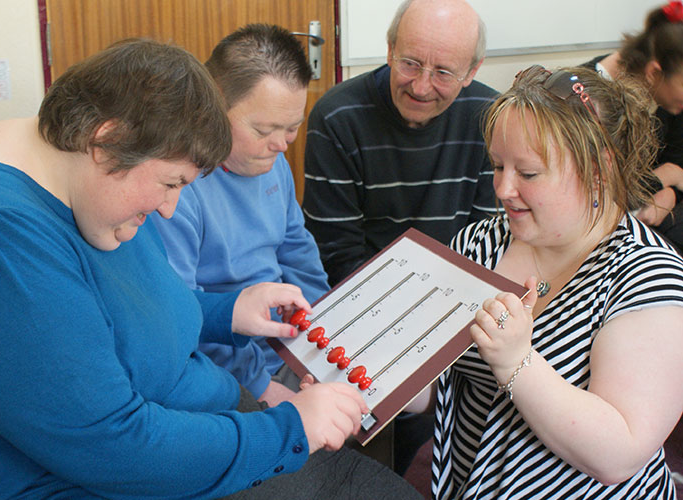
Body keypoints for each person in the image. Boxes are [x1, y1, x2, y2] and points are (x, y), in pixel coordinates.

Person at [0, 39, 422, 499]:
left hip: (190, 419)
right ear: (106, 138)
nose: (170, 210)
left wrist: (226, 312)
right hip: (95, 476)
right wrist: (290, 430)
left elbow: (113, 313)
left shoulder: (80, 180)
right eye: (171, 183)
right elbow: (112, 447)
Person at [406, 65, 683, 498]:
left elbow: (619, 454)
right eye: (498, 165)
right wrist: (386, 373)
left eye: (528, 173)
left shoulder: (649, 278)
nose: (503, 188)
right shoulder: (481, 242)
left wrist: (518, 363)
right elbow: (434, 387)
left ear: (598, 169)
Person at [152, 24, 329, 408]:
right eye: (264, 129)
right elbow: (180, 314)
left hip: (288, 347)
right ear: (213, 105)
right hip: (225, 368)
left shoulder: (271, 162)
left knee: (378, 410)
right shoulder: (175, 187)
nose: (282, 144)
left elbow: (297, 250)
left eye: (293, 127)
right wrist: (262, 388)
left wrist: (327, 331)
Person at [302, 0, 498, 288]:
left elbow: (487, 240)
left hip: (458, 290)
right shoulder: (337, 118)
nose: (420, 87)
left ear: (471, 71)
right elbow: (336, 255)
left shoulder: (491, 118)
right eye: (410, 64)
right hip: (367, 293)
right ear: (390, 50)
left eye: (443, 72)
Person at [582, 0, 683, 253]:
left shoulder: (670, 101)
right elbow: (594, 193)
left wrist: (671, 194)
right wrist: (667, 175)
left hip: (646, 218)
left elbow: (678, 163)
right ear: (653, 72)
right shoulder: (579, 96)